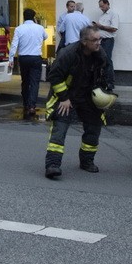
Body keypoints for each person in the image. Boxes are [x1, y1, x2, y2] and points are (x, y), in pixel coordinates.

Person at [43, 26, 115, 179]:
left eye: (99, 39)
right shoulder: (68, 54)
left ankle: (87, 161)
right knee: (59, 130)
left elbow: (107, 71)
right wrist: (64, 98)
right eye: (94, 40)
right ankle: (52, 165)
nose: (98, 43)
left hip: (88, 97)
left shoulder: (100, 54)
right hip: (67, 96)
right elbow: (54, 76)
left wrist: (106, 91)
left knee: (94, 127)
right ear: (84, 41)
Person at [8, 8, 48, 120]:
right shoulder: (39, 28)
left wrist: (11, 59)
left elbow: (14, 45)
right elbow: (46, 37)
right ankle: (32, 106)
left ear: (24, 17)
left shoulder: (19, 29)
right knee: (35, 82)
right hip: (36, 58)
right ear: (34, 17)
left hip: (23, 58)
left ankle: (26, 103)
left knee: (25, 81)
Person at [92, 0, 118, 90]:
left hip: (108, 40)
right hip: (100, 40)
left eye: (102, 6)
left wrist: (101, 26)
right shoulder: (102, 16)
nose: (101, 8)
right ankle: (102, 81)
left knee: (107, 60)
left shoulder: (113, 14)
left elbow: (114, 28)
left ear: (107, 4)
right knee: (100, 60)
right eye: (100, 7)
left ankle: (110, 83)